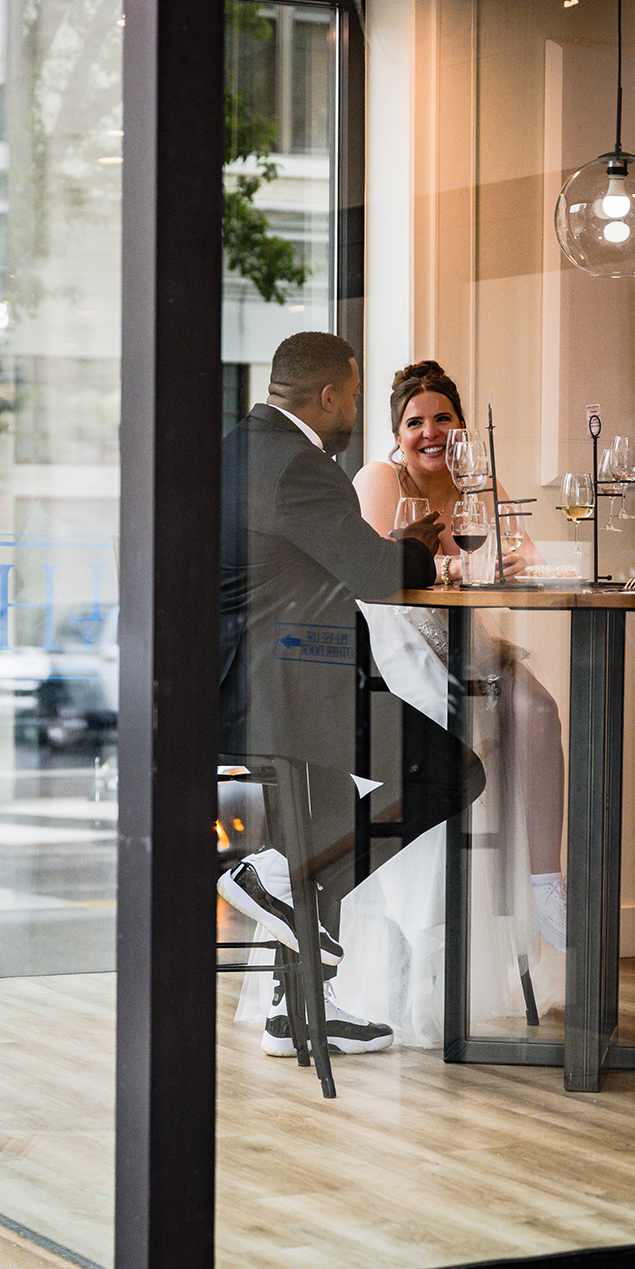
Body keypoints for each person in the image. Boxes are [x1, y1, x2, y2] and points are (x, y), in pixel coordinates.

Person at [219, 333, 485, 1056]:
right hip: (287, 692)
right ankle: (270, 872)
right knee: (453, 772)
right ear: (330, 394)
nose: (355, 409)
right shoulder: (298, 467)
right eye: (356, 394)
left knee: (336, 819)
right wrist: (424, 543)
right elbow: (373, 574)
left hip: (251, 686)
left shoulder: (237, 449)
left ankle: (298, 1008)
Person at [351, 360, 566, 954]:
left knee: (540, 711)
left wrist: (523, 563)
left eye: (443, 418)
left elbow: (530, 559)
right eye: (415, 421)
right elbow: (376, 574)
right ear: (397, 434)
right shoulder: (381, 481)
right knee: (451, 730)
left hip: (470, 642)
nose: (430, 432)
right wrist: (464, 566)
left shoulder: (484, 486)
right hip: (398, 646)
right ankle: (422, 929)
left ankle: (546, 881)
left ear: (462, 426)